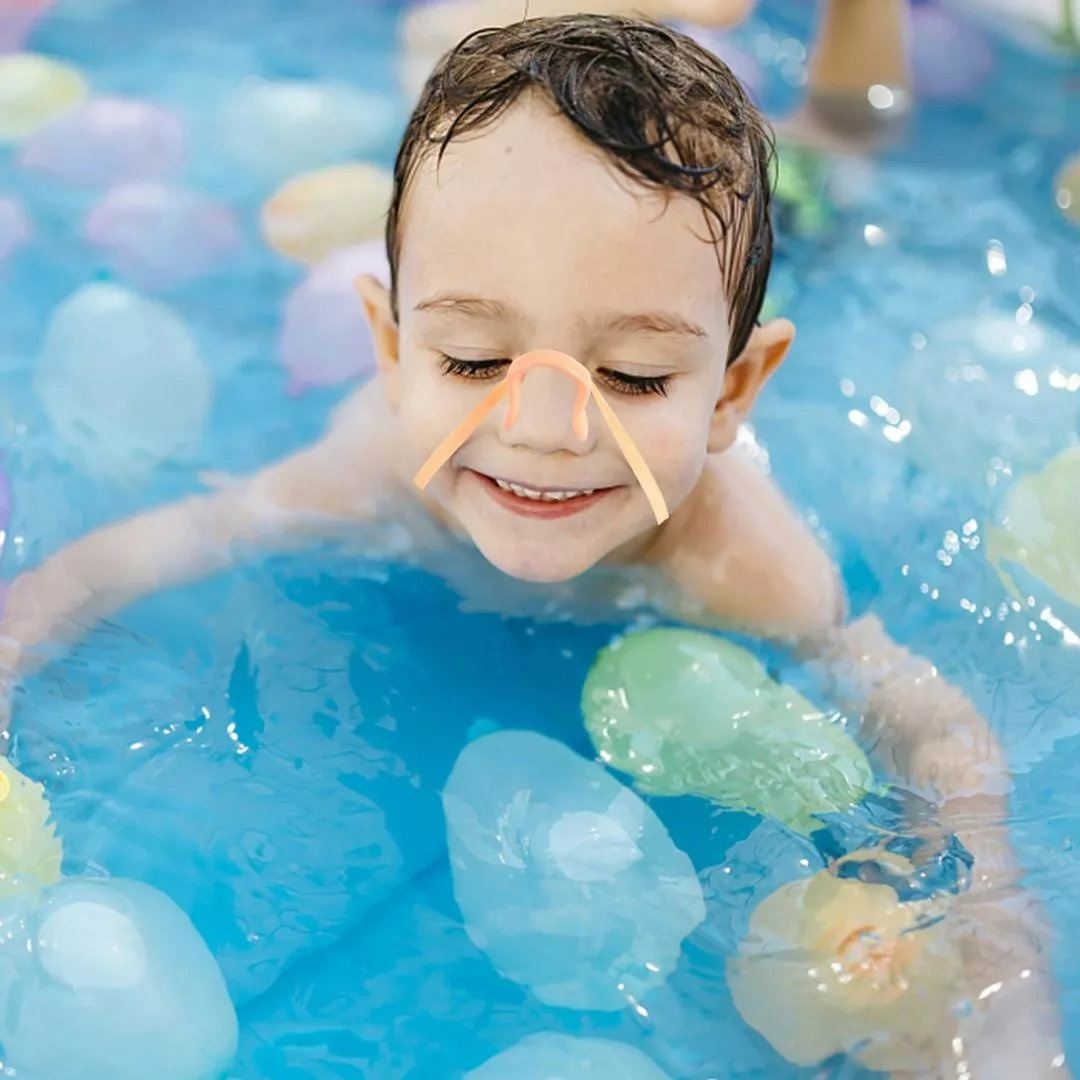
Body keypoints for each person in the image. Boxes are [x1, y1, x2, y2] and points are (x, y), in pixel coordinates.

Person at [0, 13, 1068, 1077]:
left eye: (638, 377)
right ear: (389, 347)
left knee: (839, 150)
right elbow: (106, 565)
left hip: (791, 236)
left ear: (735, 393)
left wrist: (990, 947)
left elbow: (933, 730)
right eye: (469, 358)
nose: (546, 429)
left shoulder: (742, 563)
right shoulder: (373, 472)